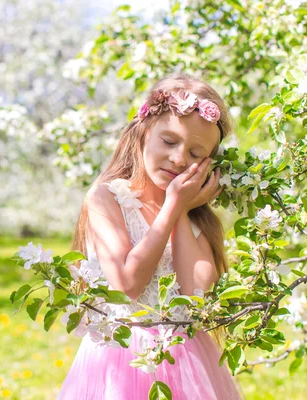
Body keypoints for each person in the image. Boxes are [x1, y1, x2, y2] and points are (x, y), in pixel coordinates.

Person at [57, 73, 245, 400]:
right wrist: (174, 205)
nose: (178, 159)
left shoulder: (193, 214)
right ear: (143, 133)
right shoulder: (106, 199)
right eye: (169, 141)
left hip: (184, 361)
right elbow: (128, 283)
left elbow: (196, 296)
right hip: (119, 360)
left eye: (195, 154)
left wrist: (181, 210)